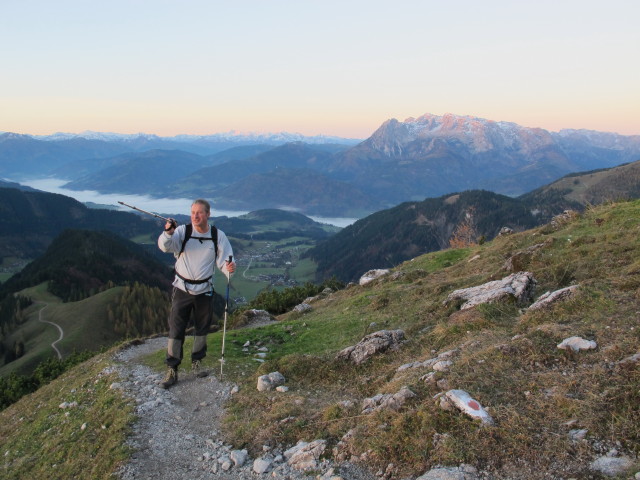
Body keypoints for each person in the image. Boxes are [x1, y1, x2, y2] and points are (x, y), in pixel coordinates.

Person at [157, 198, 235, 389]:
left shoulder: (217, 235)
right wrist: (168, 232)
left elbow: (225, 260)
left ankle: (196, 362)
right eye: (193, 213)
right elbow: (165, 246)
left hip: (204, 289)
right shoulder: (183, 232)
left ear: (208, 214)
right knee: (176, 329)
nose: (195, 216)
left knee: (202, 328)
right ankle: (172, 369)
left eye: (199, 213)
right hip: (182, 288)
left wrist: (229, 268)